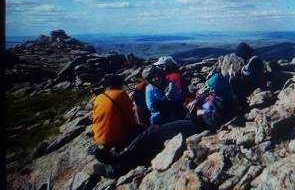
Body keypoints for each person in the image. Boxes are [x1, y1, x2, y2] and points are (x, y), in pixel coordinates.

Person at [93, 71, 236, 178]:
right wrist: (199, 104)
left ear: (218, 89)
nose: (209, 90)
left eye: (212, 88)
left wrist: (198, 109)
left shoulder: (221, 102)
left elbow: (212, 122)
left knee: (153, 132)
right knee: (153, 136)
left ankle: (119, 159)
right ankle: (123, 162)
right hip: (189, 121)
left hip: (193, 125)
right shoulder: (220, 97)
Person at [90, 74, 145, 160]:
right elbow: (131, 120)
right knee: (145, 134)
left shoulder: (98, 98)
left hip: (98, 138)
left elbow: (94, 118)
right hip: (116, 139)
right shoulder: (121, 94)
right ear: (118, 84)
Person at [230, 42, 266, 108]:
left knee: (232, 81)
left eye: (241, 55)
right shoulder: (249, 58)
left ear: (244, 52)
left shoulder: (255, 60)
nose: (241, 57)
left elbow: (253, 78)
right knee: (232, 79)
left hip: (253, 87)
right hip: (249, 84)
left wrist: (240, 77)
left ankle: (242, 104)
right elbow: (246, 71)